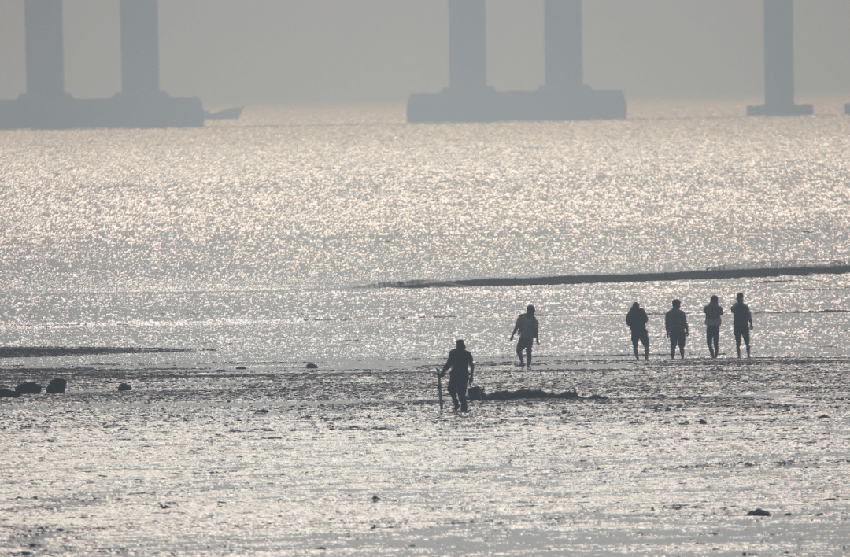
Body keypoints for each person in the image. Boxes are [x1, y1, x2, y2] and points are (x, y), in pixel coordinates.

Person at [440, 339, 475, 412]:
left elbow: (472, 365)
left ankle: (463, 407)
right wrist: (443, 372)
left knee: (461, 393)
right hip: (454, 375)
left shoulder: (467, 354)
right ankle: (456, 403)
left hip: (463, 375)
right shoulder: (453, 353)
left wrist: (471, 376)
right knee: (451, 389)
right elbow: (448, 363)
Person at [730, 292, 753, 358]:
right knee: (738, 342)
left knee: (746, 342)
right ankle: (739, 355)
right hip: (739, 325)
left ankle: (748, 355)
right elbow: (731, 309)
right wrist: (750, 323)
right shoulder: (737, 306)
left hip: (743, 325)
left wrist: (750, 323)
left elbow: (749, 315)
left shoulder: (744, 306)